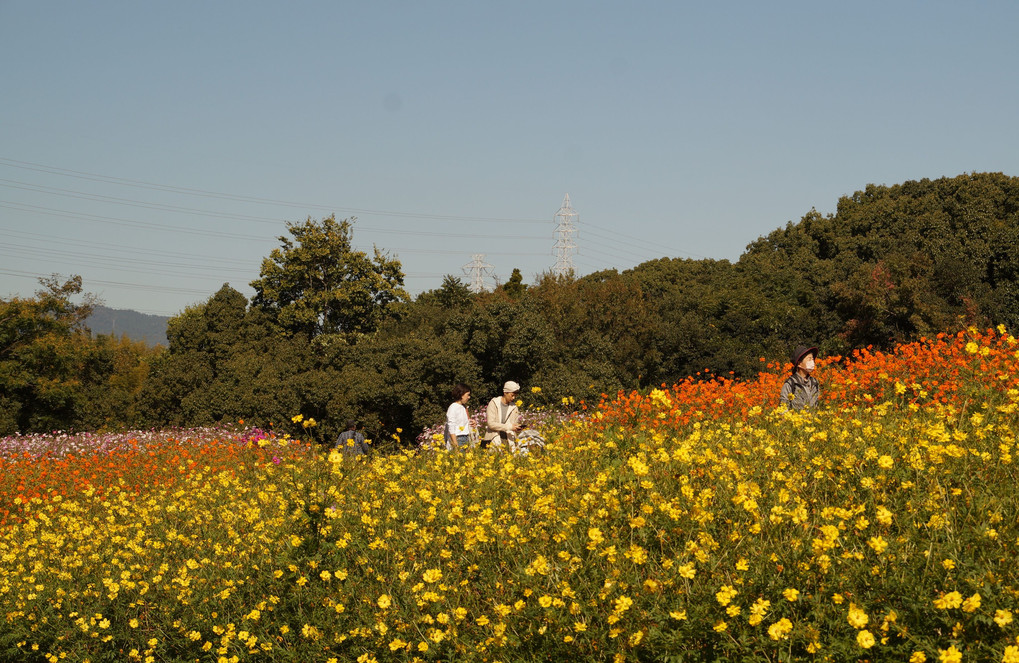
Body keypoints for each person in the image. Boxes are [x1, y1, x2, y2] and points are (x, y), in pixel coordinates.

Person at [780, 345, 820, 410]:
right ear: (799, 364)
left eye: (812, 359)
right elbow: (783, 408)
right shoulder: (790, 384)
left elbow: (816, 405)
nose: (812, 362)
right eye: (809, 359)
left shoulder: (814, 382)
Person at [484, 381, 523, 448]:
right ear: (505, 393)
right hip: (494, 438)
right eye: (512, 395)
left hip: (509, 439)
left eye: (515, 396)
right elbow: (491, 424)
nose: (513, 398)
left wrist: (517, 427)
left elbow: (514, 424)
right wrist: (509, 427)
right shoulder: (493, 403)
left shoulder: (514, 407)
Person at [445, 383, 473, 450]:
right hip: (458, 439)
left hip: (465, 438)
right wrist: (455, 444)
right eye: (468, 395)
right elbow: (451, 427)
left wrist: (471, 422)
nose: (469, 397)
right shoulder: (453, 407)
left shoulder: (463, 407)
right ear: (461, 395)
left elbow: (461, 423)